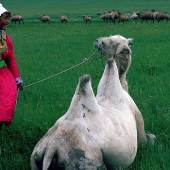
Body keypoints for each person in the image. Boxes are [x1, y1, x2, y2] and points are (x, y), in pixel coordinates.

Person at [0, 3, 23, 128]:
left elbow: (10, 58)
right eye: (4, 18)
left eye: (7, 18)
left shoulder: (4, 37)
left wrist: (17, 77)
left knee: (8, 95)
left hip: (1, 74)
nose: (7, 22)